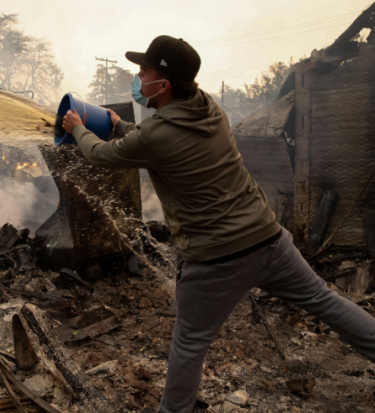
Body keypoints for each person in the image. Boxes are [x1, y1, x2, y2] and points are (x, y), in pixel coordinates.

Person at [61, 35, 375, 413]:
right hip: (270, 240)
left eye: (142, 71)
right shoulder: (208, 108)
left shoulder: (159, 132)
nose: (137, 75)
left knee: (190, 344)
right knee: (324, 300)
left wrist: (78, 127)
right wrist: (120, 125)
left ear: (162, 84)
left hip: (216, 260)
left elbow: (100, 155)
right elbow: (151, 139)